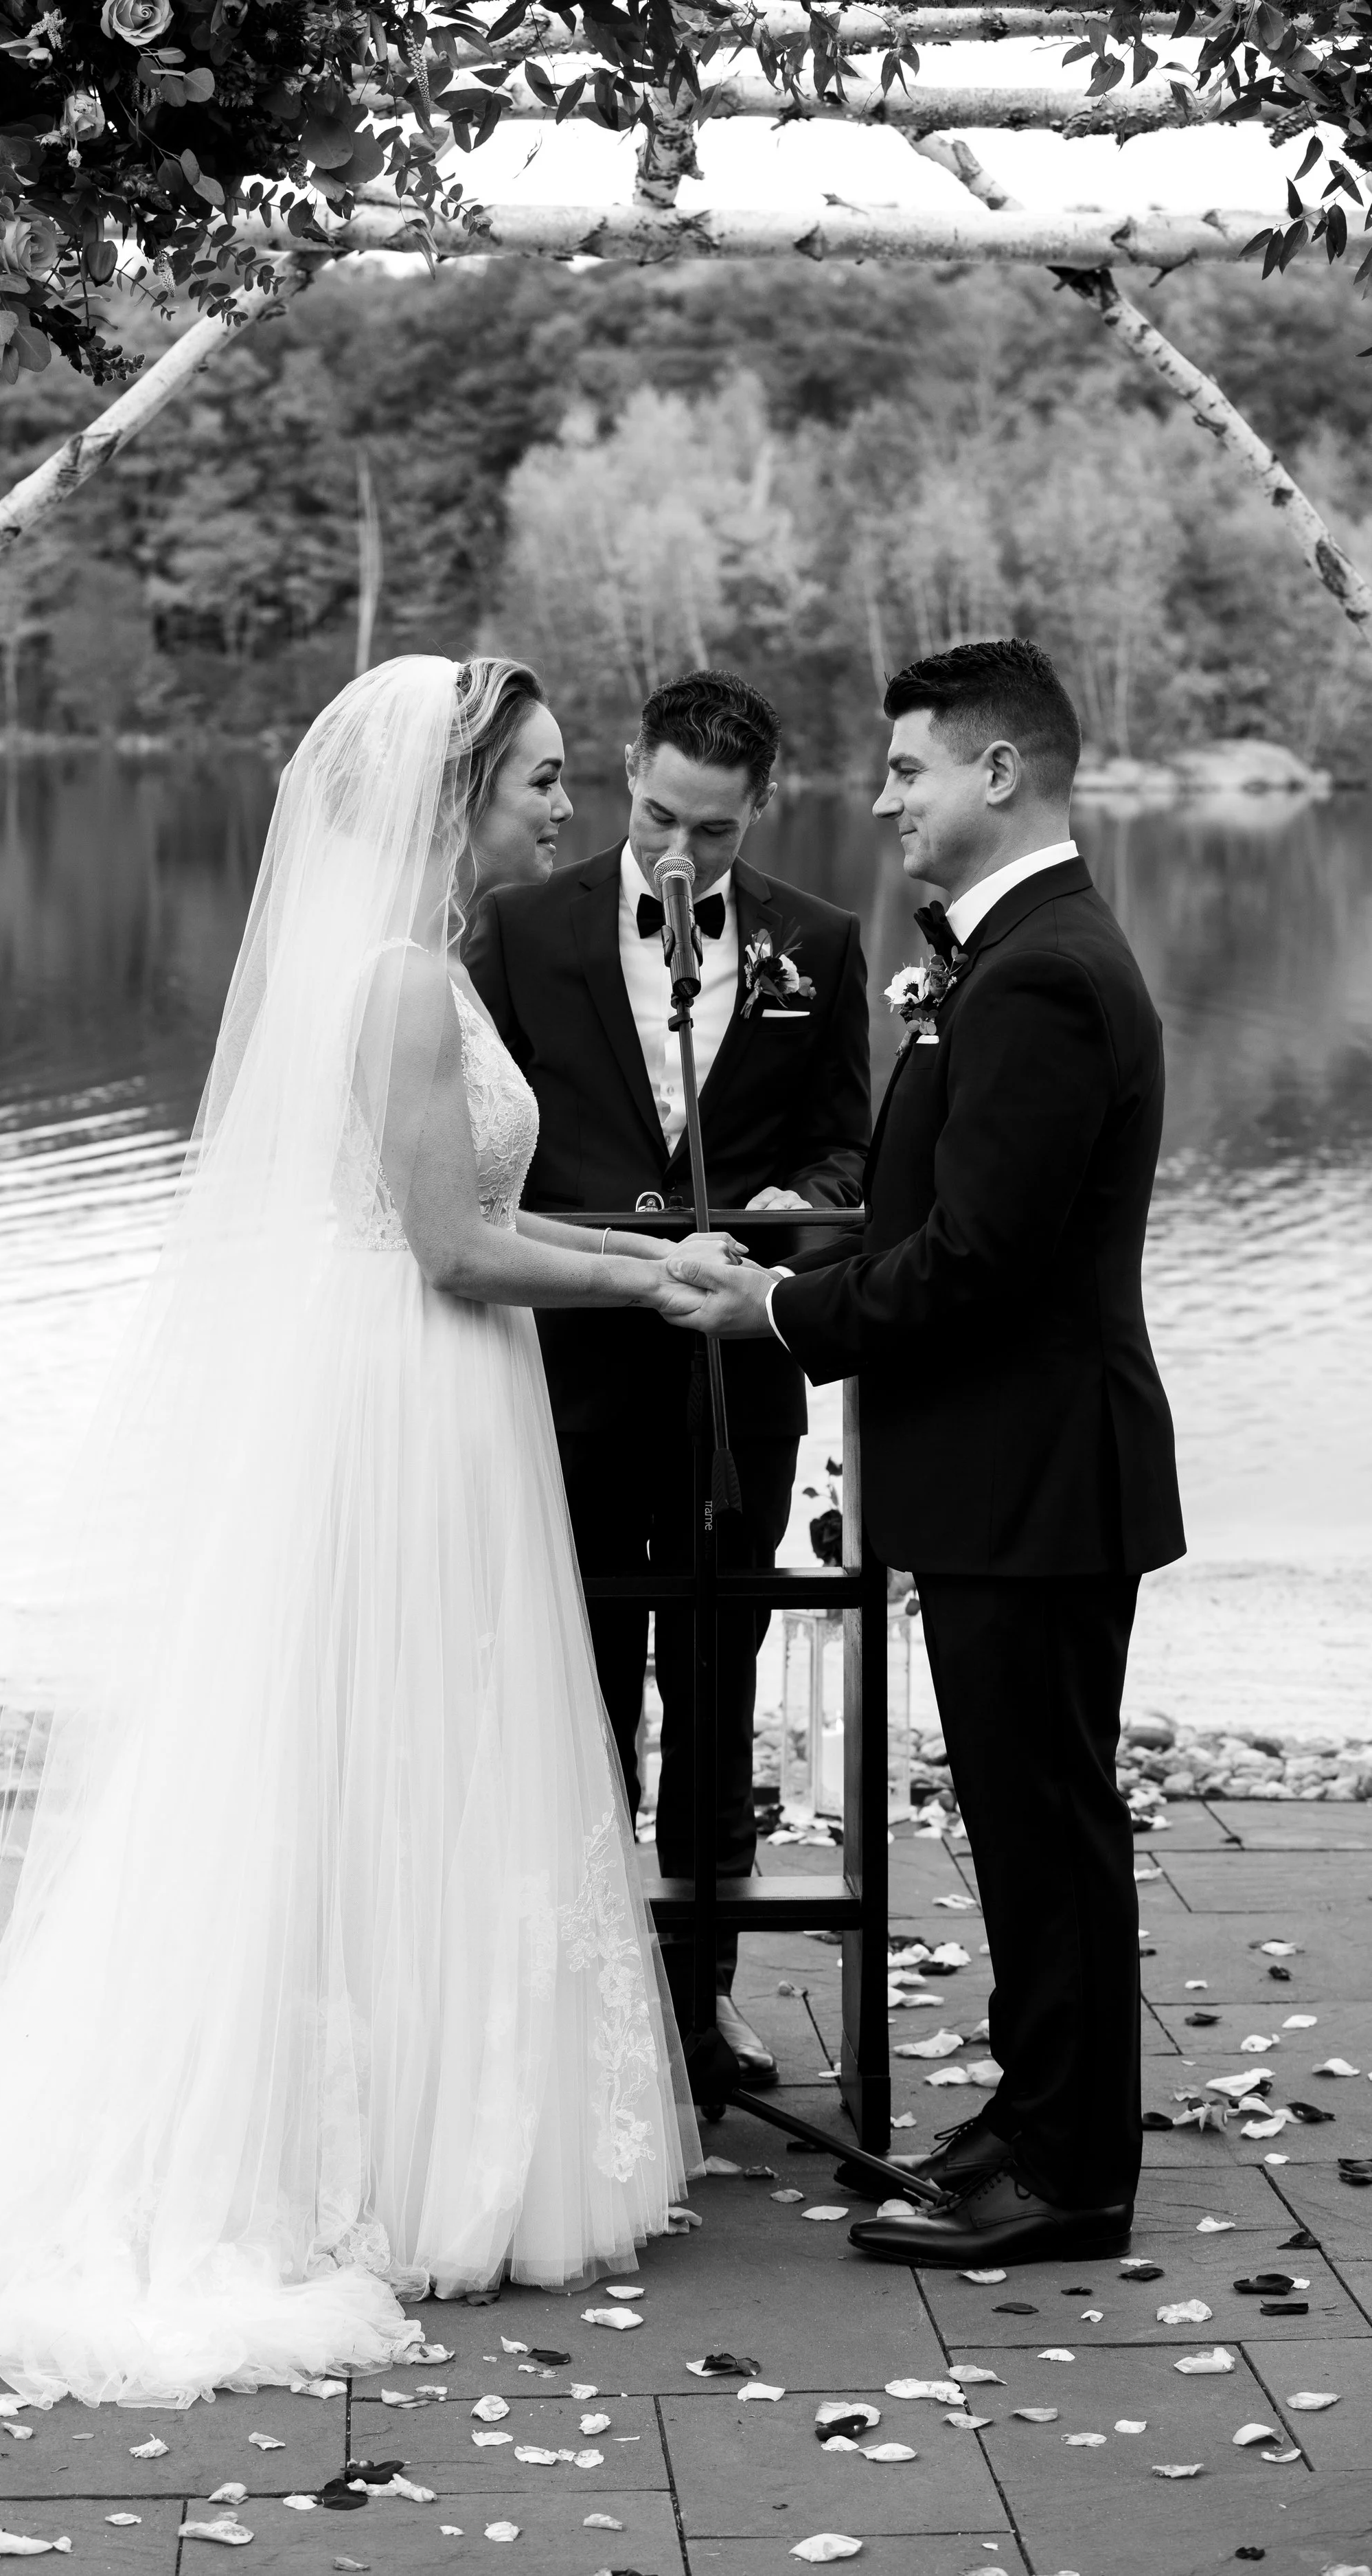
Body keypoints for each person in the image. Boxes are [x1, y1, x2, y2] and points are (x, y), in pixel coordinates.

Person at [0, 655, 706, 2551]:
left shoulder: (420, 965)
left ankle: (428, 2125)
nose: (574, 805)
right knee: (384, 1758)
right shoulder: (396, 982)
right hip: (400, 1402)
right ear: (457, 789)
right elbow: (453, 1248)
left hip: (421, 1398)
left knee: (416, 1760)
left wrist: (641, 1256)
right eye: (546, 779)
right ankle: (372, 2155)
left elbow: (446, 1225)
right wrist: (652, 1283)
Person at [666, 638, 1184, 2265]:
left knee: (1048, 1823)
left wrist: (777, 1314)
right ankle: (1036, 2117)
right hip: (1006, 1472)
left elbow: (977, 1260)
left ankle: (1071, 2174)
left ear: (996, 774)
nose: (879, 797)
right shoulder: (1009, 952)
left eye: (904, 770)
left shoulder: (1038, 973)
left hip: (1037, 1473)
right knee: (1029, 1816)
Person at [468, 669, 869, 2079]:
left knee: (715, 1683)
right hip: (562, 1374)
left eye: (708, 828)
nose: (675, 853)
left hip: (731, 1390)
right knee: (577, 1684)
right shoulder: (513, 930)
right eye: (652, 815)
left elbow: (845, 1155)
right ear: (625, 773)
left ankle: (697, 2005)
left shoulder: (814, 946)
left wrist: (764, 1215)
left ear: (758, 809)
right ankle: (581, 2007)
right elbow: (485, 1139)